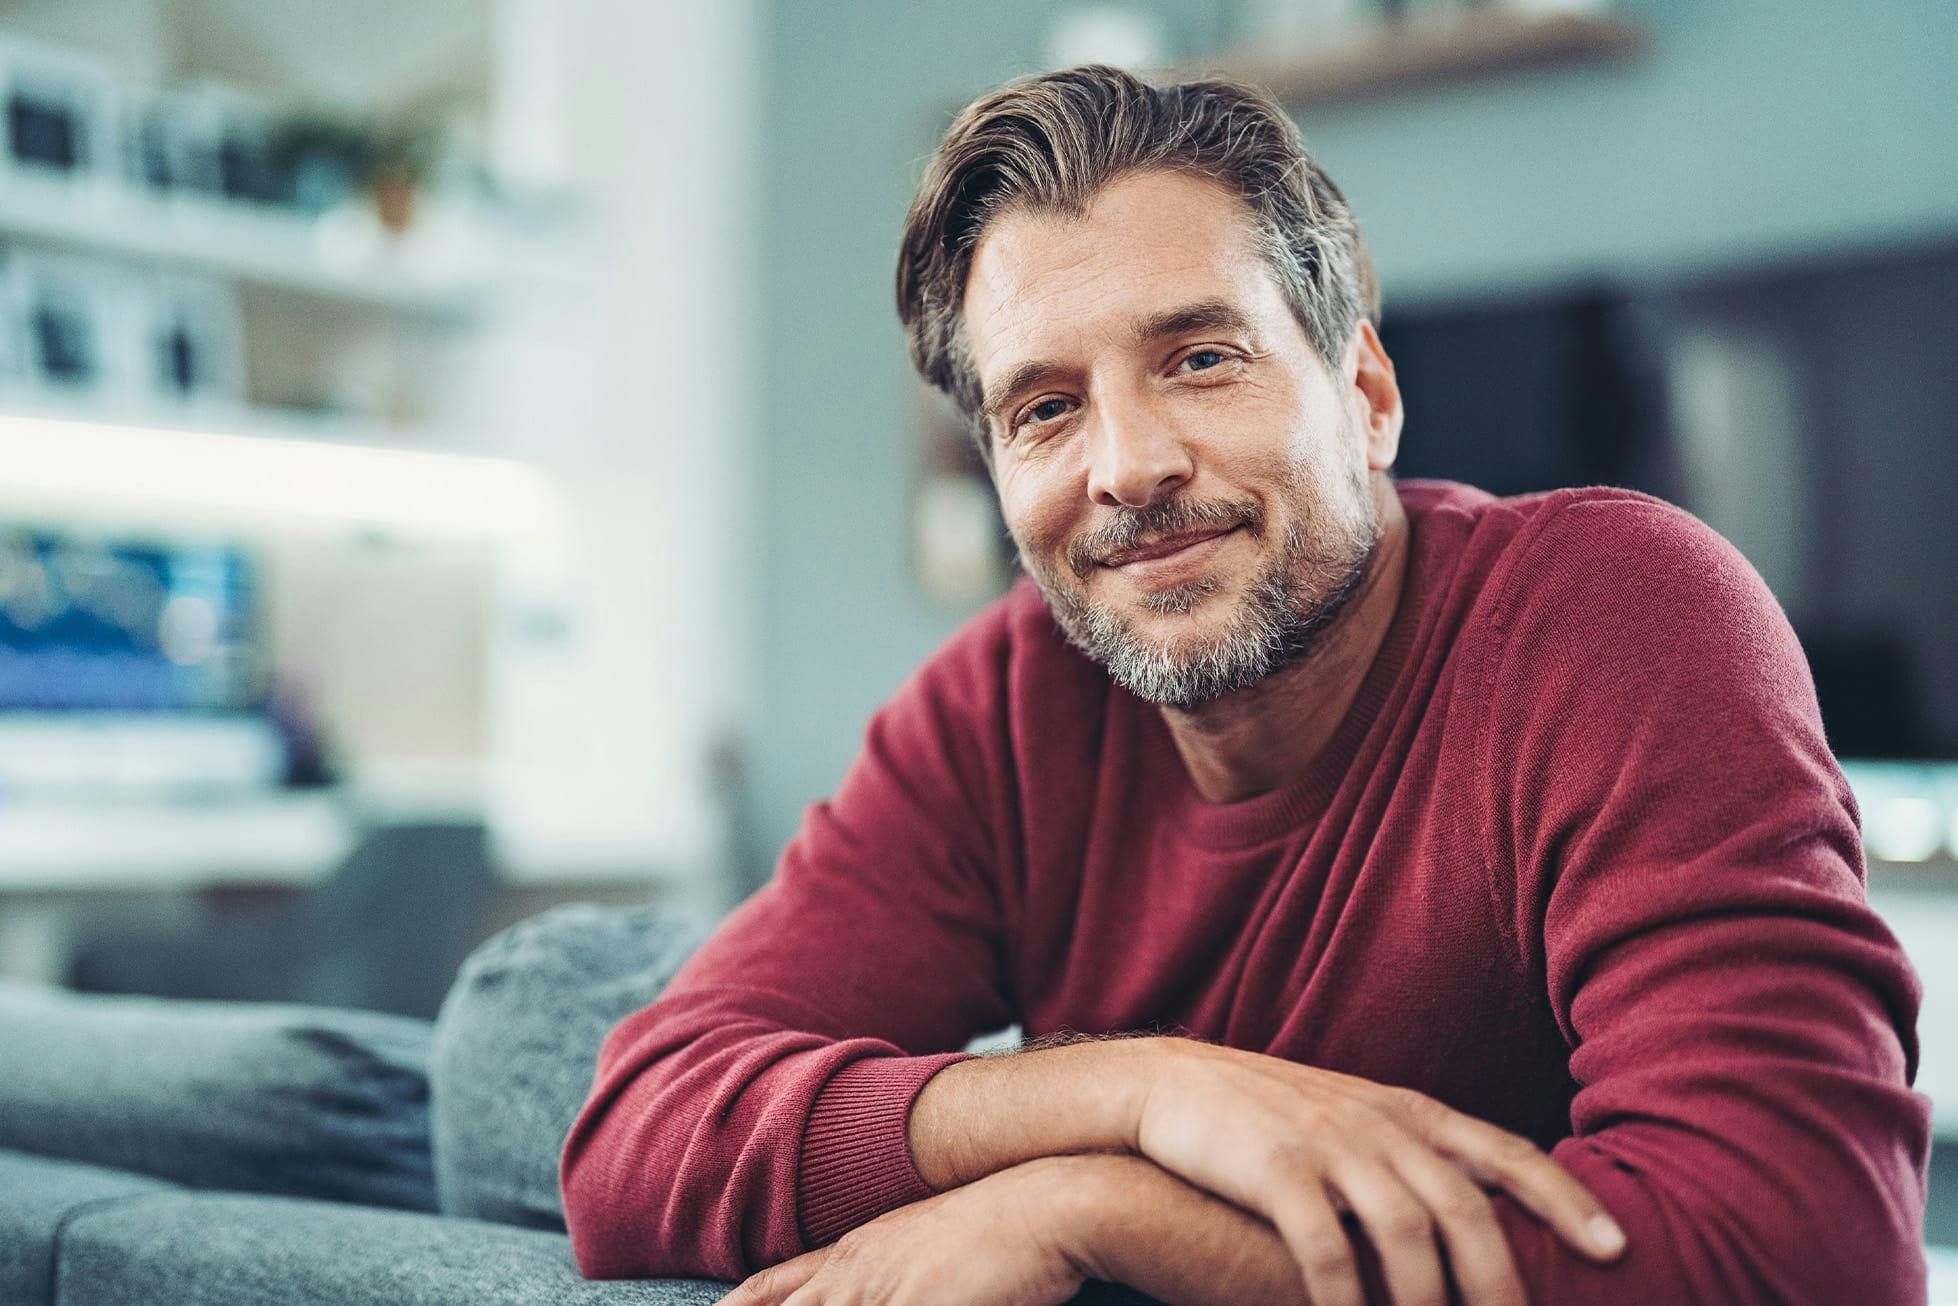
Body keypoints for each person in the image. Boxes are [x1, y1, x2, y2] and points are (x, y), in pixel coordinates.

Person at [559, 65, 1930, 1305]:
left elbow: (1805, 1256)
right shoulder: (1004, 700)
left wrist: (1099, 1207)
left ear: (1367, 395)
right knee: (536, 1033)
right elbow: (629, 1143)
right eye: (1045, 409)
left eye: (1200, 359)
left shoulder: (1615, 610)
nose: (1127, 466)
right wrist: (1144, 1090)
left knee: (519, 1034)